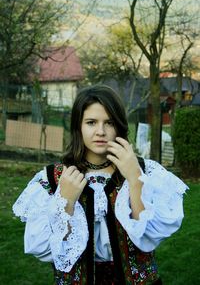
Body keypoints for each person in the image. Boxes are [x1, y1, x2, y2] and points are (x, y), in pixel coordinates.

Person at [13, 85, 188, 285]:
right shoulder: (52, 179)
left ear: (119, 126)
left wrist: (135, 179)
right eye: (91, 122)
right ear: (78, 126)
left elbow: (150, 234)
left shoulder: (145, 171)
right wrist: (66, 202)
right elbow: (44, 249)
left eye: (109, 123)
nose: (100, 131)